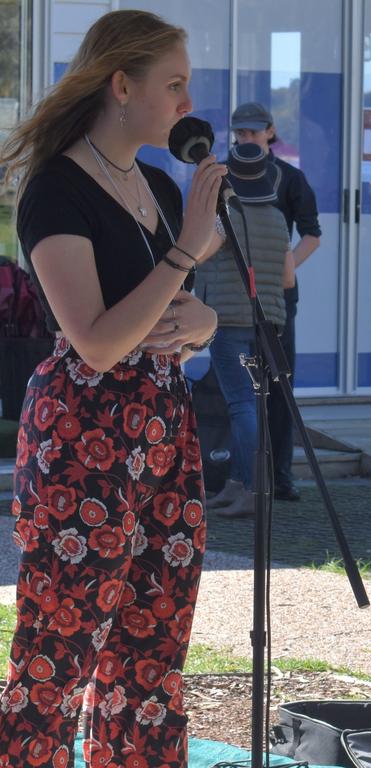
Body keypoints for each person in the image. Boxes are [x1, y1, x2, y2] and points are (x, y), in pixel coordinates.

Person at [0, 9, 225, 766]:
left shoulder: (158, 184)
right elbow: (94, 341)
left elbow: (172, 318)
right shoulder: (55, 188)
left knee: (151, 657)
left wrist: (205, 321)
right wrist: (188, 250)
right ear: (122, 85)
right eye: (174, 85)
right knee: (57, 654)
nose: (186, 103)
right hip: (83, 438)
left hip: (164, 428)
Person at [229, 101, 321, 501]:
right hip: (231, 299)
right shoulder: (221, 175)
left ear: (270, 132)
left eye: (253, 132)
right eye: (240, 133)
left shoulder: (291, 178)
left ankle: (281, 474)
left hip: (281, 298)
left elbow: (312, 235)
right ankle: (237, 475)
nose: (247, 138)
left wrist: (282, 268)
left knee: (280, 387)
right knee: (237, 391)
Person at [196, 142, 290, 518]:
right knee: (253, 403)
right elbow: (287, 277)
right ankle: (237, 485)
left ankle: (253, 490)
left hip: (229, 321)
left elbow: (197, 254)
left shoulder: (227, 215)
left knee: (241, 405)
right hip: (268, 323)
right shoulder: (278, 218)